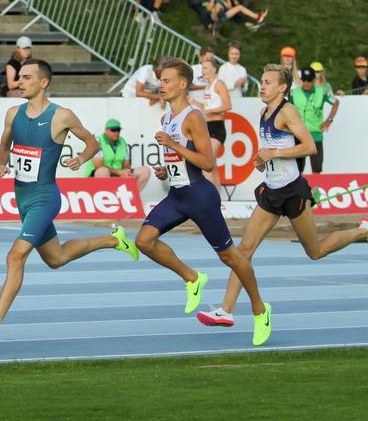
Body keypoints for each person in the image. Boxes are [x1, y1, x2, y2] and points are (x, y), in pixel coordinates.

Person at [0, 58, 139, 346]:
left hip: (45, 197)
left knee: (15, 256)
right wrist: (0, 164)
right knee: (56, 258)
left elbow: (92, 143)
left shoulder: (62, 116)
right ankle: (114, 240)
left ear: (43, 82)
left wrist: (80, 158)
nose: (19, 82)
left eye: (27, 78)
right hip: (22, 197)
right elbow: (4, 146)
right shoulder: (12, 113)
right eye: (19, 77)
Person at [197, 64, 368, 328]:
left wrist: (274, 154)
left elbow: (309, 147)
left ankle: (362, 231)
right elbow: (273, 149)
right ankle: (226, 310)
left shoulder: (287, 111)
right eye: (261, 81)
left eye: (268, 82)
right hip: (271, 191)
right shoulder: (263, 112)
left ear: (282, 87)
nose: (262, 86)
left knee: (315, 251)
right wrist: (263, 161)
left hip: (293, 191)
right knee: (243, 250)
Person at [132, 58, 271, 346]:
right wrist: (166, 169)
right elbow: (180, 160)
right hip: (177, 195)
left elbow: (207, 162)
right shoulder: (166, 118)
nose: (161, 85)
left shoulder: (193, 117)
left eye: (167, 81)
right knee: (143, 241)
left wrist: (173, 145)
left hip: (199, 196)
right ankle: (192, 277)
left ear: (183, 84)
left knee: (230, 257)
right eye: (161, 80)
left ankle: (260, 310)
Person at [191, 58, 230, 187]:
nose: (203, 70)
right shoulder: (208, 86)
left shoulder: (219, 84)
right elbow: (206, 108)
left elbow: (227, 105)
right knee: (212, 166)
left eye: (206, 68)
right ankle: (216, 197)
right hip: (207, 126)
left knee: (206, 164)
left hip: (216, 127)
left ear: (214, 69)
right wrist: (196, 103)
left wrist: (208, 110)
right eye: (202, 68)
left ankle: (210, 196)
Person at [291, 66, 337, 174]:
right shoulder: (293, 93)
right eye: (304, 80)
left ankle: (316, 185)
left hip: (315, 135)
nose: (306, 83)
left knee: (317, 169)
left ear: (314, 80)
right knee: (297, 170)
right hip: (299, 135)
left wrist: (329, 120)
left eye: (309, 80)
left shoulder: (322, 91)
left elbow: (336, 102)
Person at [87, 118, 150, 191]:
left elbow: (126, 164)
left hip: (118, 174)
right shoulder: (98, 141)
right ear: (106, 130)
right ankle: (105, 196)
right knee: (102, 171)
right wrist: (120, 172)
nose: (116, 132)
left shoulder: (122, 141)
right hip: (98, 175)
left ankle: (131, 196)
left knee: (145, 171)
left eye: (118, 130)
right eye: (113, 130)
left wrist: (126, 173)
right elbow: (98, 165)